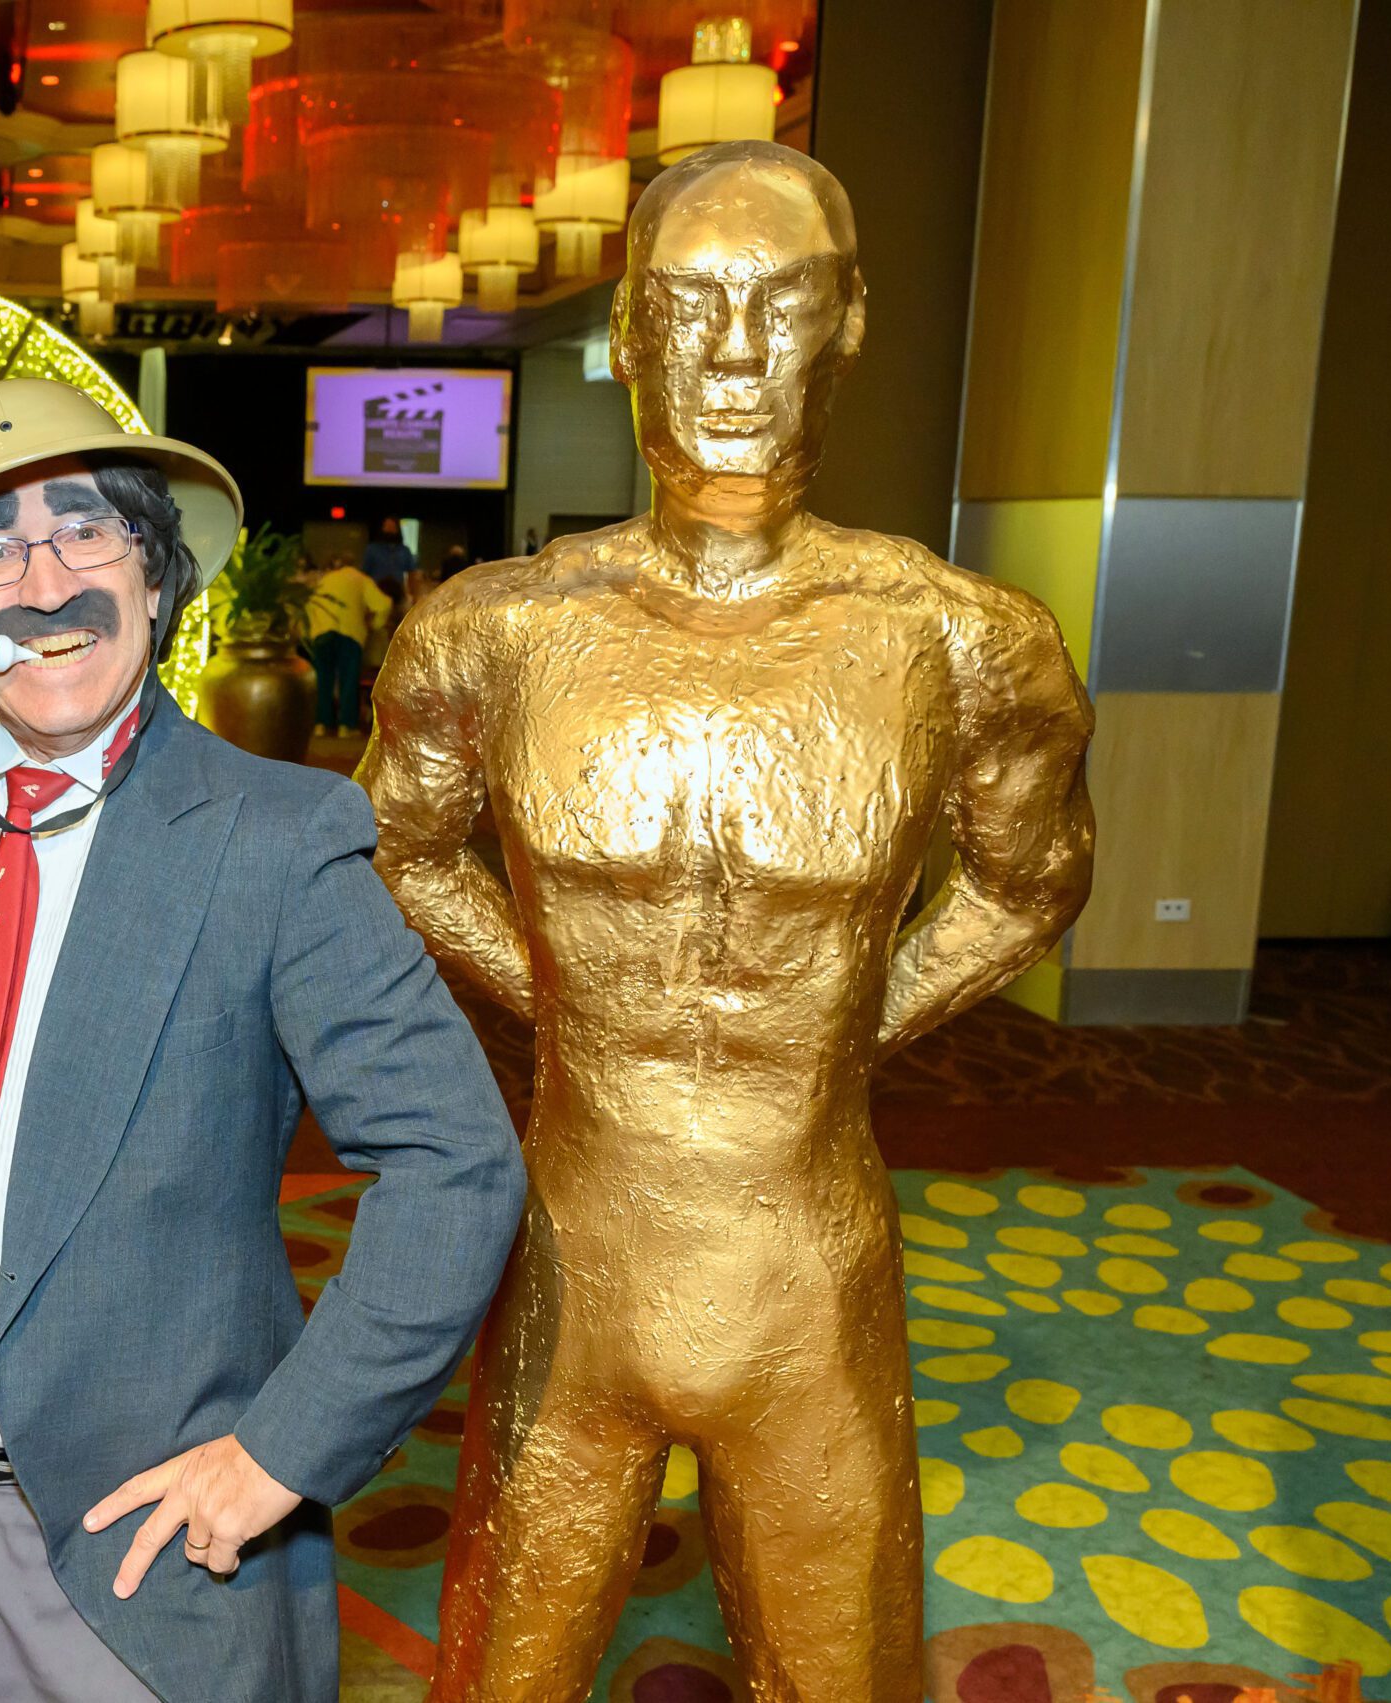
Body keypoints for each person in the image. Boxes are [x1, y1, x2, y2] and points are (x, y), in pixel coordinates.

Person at [364, 142, 1094, 1703]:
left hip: (806, 1273)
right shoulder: (493, 633)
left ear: (851, 322)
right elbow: (402, 845)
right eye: (689, 306)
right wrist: (568, 1004)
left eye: (784, 303)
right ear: (624, 332)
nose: (737, 356)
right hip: (576, 1258)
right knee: (503, 1669)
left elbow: (1033, 882)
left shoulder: (961, 642)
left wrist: (843, 1028)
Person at [0, 378, 525, 1703]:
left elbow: (457, 1164)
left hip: (126, 1559)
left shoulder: (274, 836)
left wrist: (279, 1453)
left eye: (87, 530)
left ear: (154, 569)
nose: (45, 579)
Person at [302, 552, 389, 737]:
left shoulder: (324, 580)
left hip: (321, 632)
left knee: (323, 679)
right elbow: (383, 605)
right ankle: (346, 726)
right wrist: (375, 624)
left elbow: (309, 606)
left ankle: (321, 724)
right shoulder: (361, 579)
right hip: (350, 633)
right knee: (348, 680)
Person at [360, 516, 414, 604]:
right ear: (382, 529)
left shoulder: (404, 550)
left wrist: (412, 594)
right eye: (387, 527)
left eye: (392, 527)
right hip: (376, 593)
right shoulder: (372, 549)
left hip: (398, 596)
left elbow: (412, 573)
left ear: (397, 530)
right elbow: (364, 573)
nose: (389, 530)